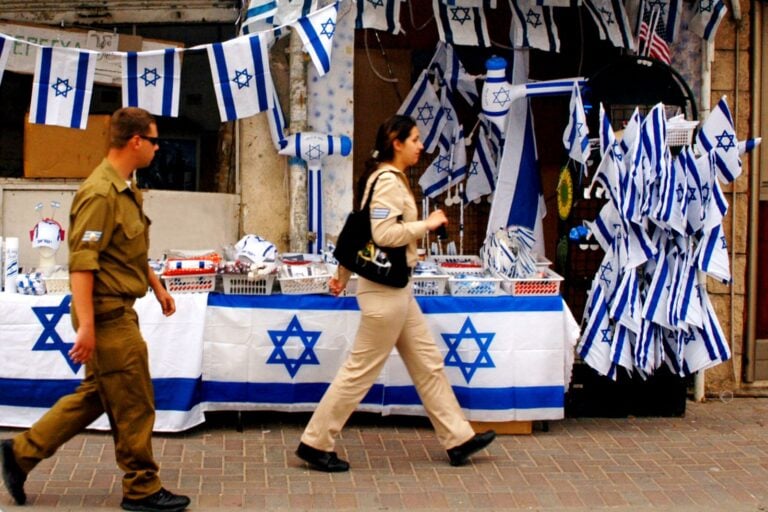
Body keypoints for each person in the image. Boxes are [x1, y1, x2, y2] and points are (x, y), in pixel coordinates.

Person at [0, 107, 190, 512]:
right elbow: (82, 264)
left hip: (115, 309)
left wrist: (156, 286)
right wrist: (86, 325)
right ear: (136, 141)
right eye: (154, 140)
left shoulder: (124, 188)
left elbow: (127, 251)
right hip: (106, 316)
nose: (158, 148)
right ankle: (141, 488)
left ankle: (20, 453)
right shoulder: (101, 193)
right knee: (136, 402)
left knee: (96, 395)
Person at [296, 114, 496, 472]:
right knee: (359, 371)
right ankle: (315, 441)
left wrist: (342, 274)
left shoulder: (383, 179)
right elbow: (383, 235)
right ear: (396, 142)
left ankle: (458, 438)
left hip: (395, 290)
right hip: (384, 294)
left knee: (428, 364)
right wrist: (428, 224)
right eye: (416, 139)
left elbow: (356, 231)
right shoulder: (387, 181)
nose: (422, 145)